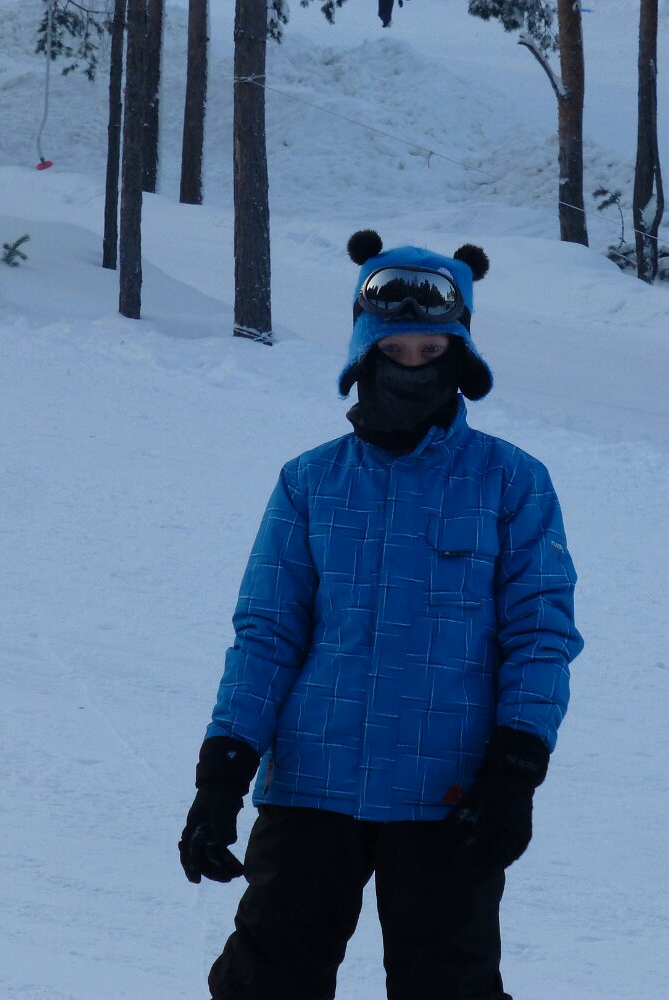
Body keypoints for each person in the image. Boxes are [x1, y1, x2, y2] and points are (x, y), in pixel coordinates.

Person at [179, 230, 584, 1000]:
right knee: (264, 985)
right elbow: (267, 635)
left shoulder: (510, 482)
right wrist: (222, 772)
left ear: (458, 355)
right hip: (311, 786)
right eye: (393, 352)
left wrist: (514, 771)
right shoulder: (309, 482)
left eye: (431, 352)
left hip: (449, 796)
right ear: (363, 354)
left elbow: (540, 636)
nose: (411, 367)